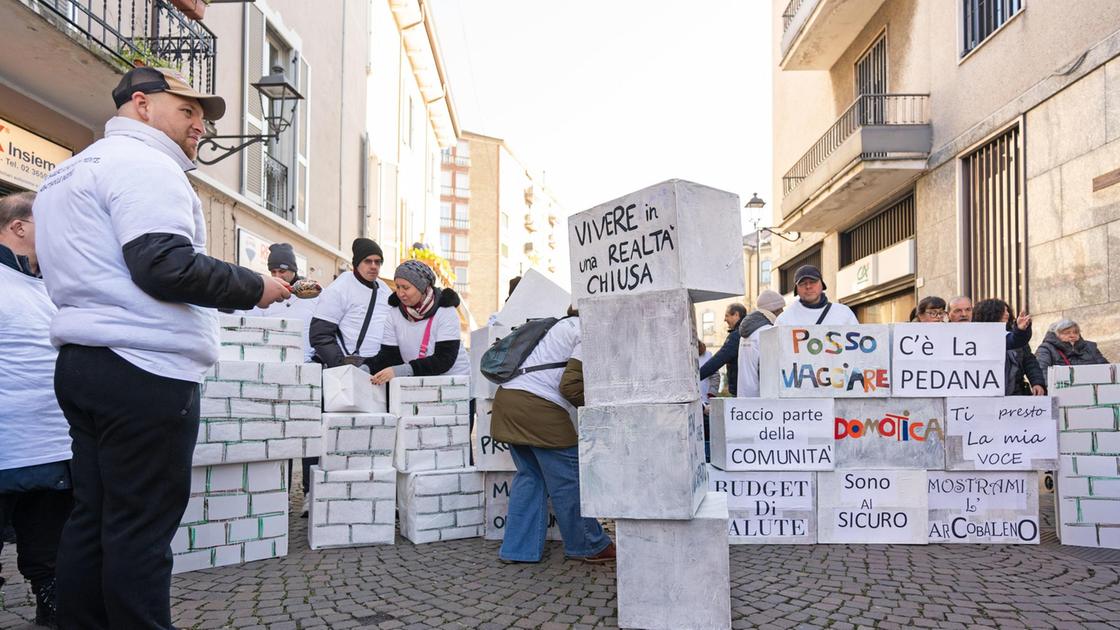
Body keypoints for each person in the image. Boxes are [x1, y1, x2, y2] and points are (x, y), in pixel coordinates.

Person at [33, 66, 290, 629]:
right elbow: (163, 266)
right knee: (140, 528)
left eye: (203, 115)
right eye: (188, 110)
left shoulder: (65, 173)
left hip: (84, 359)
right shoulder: (147, 164)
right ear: (143, 105)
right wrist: (256, 286)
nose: (200, 125)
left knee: (93, 518)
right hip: (143, 364)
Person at [489, 307, 614, 564]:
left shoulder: (557, 327)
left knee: (530, 477)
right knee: (569, 479)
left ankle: (517, 549)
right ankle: (588, 545)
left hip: (507, 403)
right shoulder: (586, 330)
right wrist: (601, 411)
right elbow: (569, 385)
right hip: (538, 409)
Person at [0, 192, 72, 627]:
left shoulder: (51, 286)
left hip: (52, 441)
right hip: (6, 440)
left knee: (48, 538)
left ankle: (51, 601)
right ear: (19, 227)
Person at [248, 242, 320, 515]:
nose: (278, 275)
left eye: (284, 271)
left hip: (304, 371)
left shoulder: (311, 295)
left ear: (294, 271)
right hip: (271, 374)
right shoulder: (261, 294)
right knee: (279, 440)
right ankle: (280, 493)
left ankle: (311, 494)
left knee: (307, 438)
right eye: (274, 270)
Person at [366, 260, 470, 382]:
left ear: (422, 287)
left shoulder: (445, 311)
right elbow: (389, 356)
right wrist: (366, 368)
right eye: (398, 287)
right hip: (418, 381)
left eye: (406, 287)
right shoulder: (394, 313)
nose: (400, 293)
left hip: (453, 381)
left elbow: (444, 359)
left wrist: (403, 371)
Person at [309, 238, 391, 368]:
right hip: (349, 367)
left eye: (378, 262)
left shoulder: (385, 289)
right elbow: (320, 335)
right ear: (357, 263)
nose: (374, 266)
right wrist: (341, 365)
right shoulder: (339, 288)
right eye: (368, 261)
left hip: (376, 369)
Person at [973, 299, 1045, 396]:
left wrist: (1037, 382)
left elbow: (1029, 361)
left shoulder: (1013, 334)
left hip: (1016, 393)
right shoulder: (975, 337)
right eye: (1002, 311)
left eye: (1007, 311)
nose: (1006, 314)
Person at [737, 290, 786, 398]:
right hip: (767, 399)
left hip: (748, 398)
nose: (783, 312)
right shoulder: (768, 332)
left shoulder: (749, 331)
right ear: (775, 310)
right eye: (781, 309)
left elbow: (748, 375)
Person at [775, 265, 859, 325]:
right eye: (803, 283)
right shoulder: (784, 320)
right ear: (796, 289)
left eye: (813, 282)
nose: (808, 286)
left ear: (822, 284)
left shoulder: (844, 313)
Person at [699, 303, 747, 397]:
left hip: (740, 391)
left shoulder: (736, 336)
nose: (725, 319)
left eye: (727, 315)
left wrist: (696, 377)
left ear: (736, 315)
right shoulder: (746, 333)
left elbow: (718, 359)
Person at [1036, 319, 1109, 372]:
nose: (1072, 335)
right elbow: (1042, 371)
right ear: (1056, 335)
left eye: (1075, 332)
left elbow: (1107, 368)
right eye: (1067, 333)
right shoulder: (1046, 349)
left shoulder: (1090, 347)